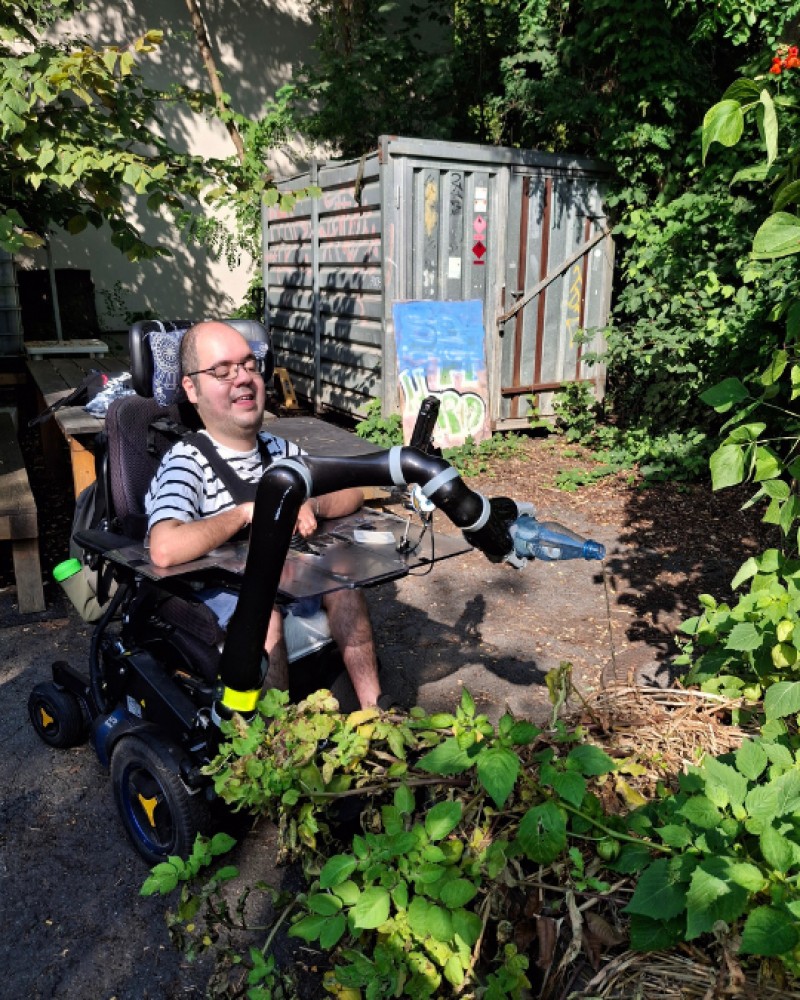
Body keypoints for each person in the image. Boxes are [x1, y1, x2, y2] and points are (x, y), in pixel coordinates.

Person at [144, 320, 383, 709]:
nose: (243, 378)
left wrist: (311, 503)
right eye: (222, 371)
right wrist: (244, 514)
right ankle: (276, 744)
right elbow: (165, 548)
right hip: (223, 594)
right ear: (191, 388)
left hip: (290, 578)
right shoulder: (186, 462)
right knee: (263, 615)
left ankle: (377, 714)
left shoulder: (278, 450)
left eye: (250, 365)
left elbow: (351, 493)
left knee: (345, 587)